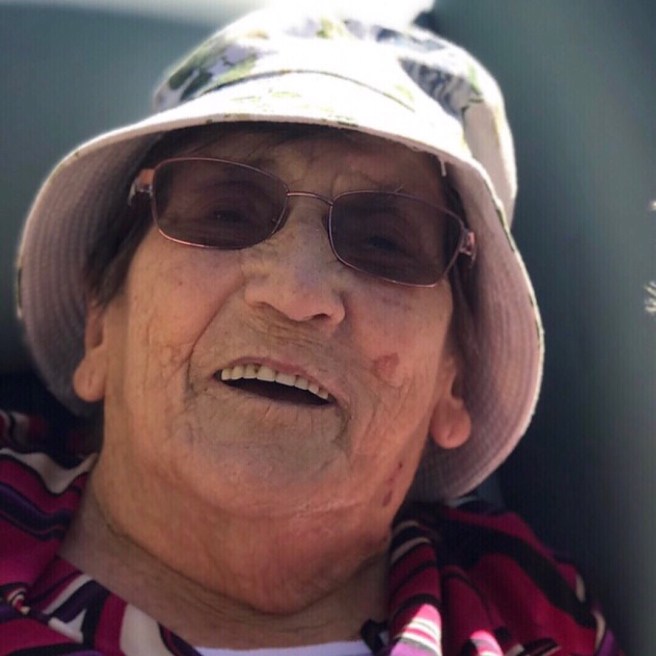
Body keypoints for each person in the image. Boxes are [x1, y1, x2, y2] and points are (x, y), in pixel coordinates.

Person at [0, 8, 623, 656]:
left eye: (384, 244)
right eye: (225, 212)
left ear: (452, 384)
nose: (297, 294)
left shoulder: (533, 618)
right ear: (101, 323)